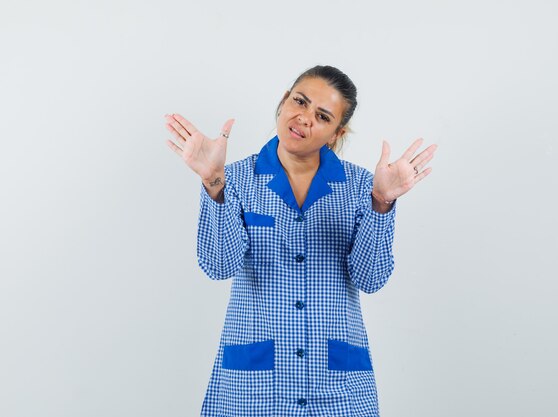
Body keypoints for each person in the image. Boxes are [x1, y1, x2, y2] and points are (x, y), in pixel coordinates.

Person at [164, 65, 437, 417]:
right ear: (283, 100)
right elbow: (219, 266)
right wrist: (215, 183)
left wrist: (381, 204)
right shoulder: (236, 180)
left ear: (336, 133)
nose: (304, 118)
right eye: (300, 101)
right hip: (255, 388)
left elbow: (371, 279)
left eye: (322, 116)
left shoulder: (361, 188)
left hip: (337, 389)